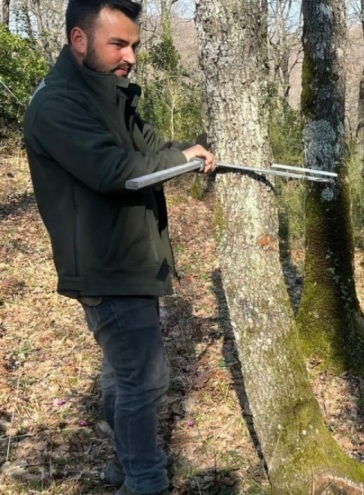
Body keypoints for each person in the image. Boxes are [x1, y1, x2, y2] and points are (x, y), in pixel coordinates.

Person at [23, 1, 216, 494]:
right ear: (79, 40)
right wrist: (182, 159)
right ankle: (145, 481)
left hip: (130, 256)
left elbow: (150, 147)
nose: (130, 55)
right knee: (143, 379)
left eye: (134, 44)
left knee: (122, 374)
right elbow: (114, 172)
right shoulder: (58, 103)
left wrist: (188, 151)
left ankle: (126, 467)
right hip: (104, 264)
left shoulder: (110, 95)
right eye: (118, 43)